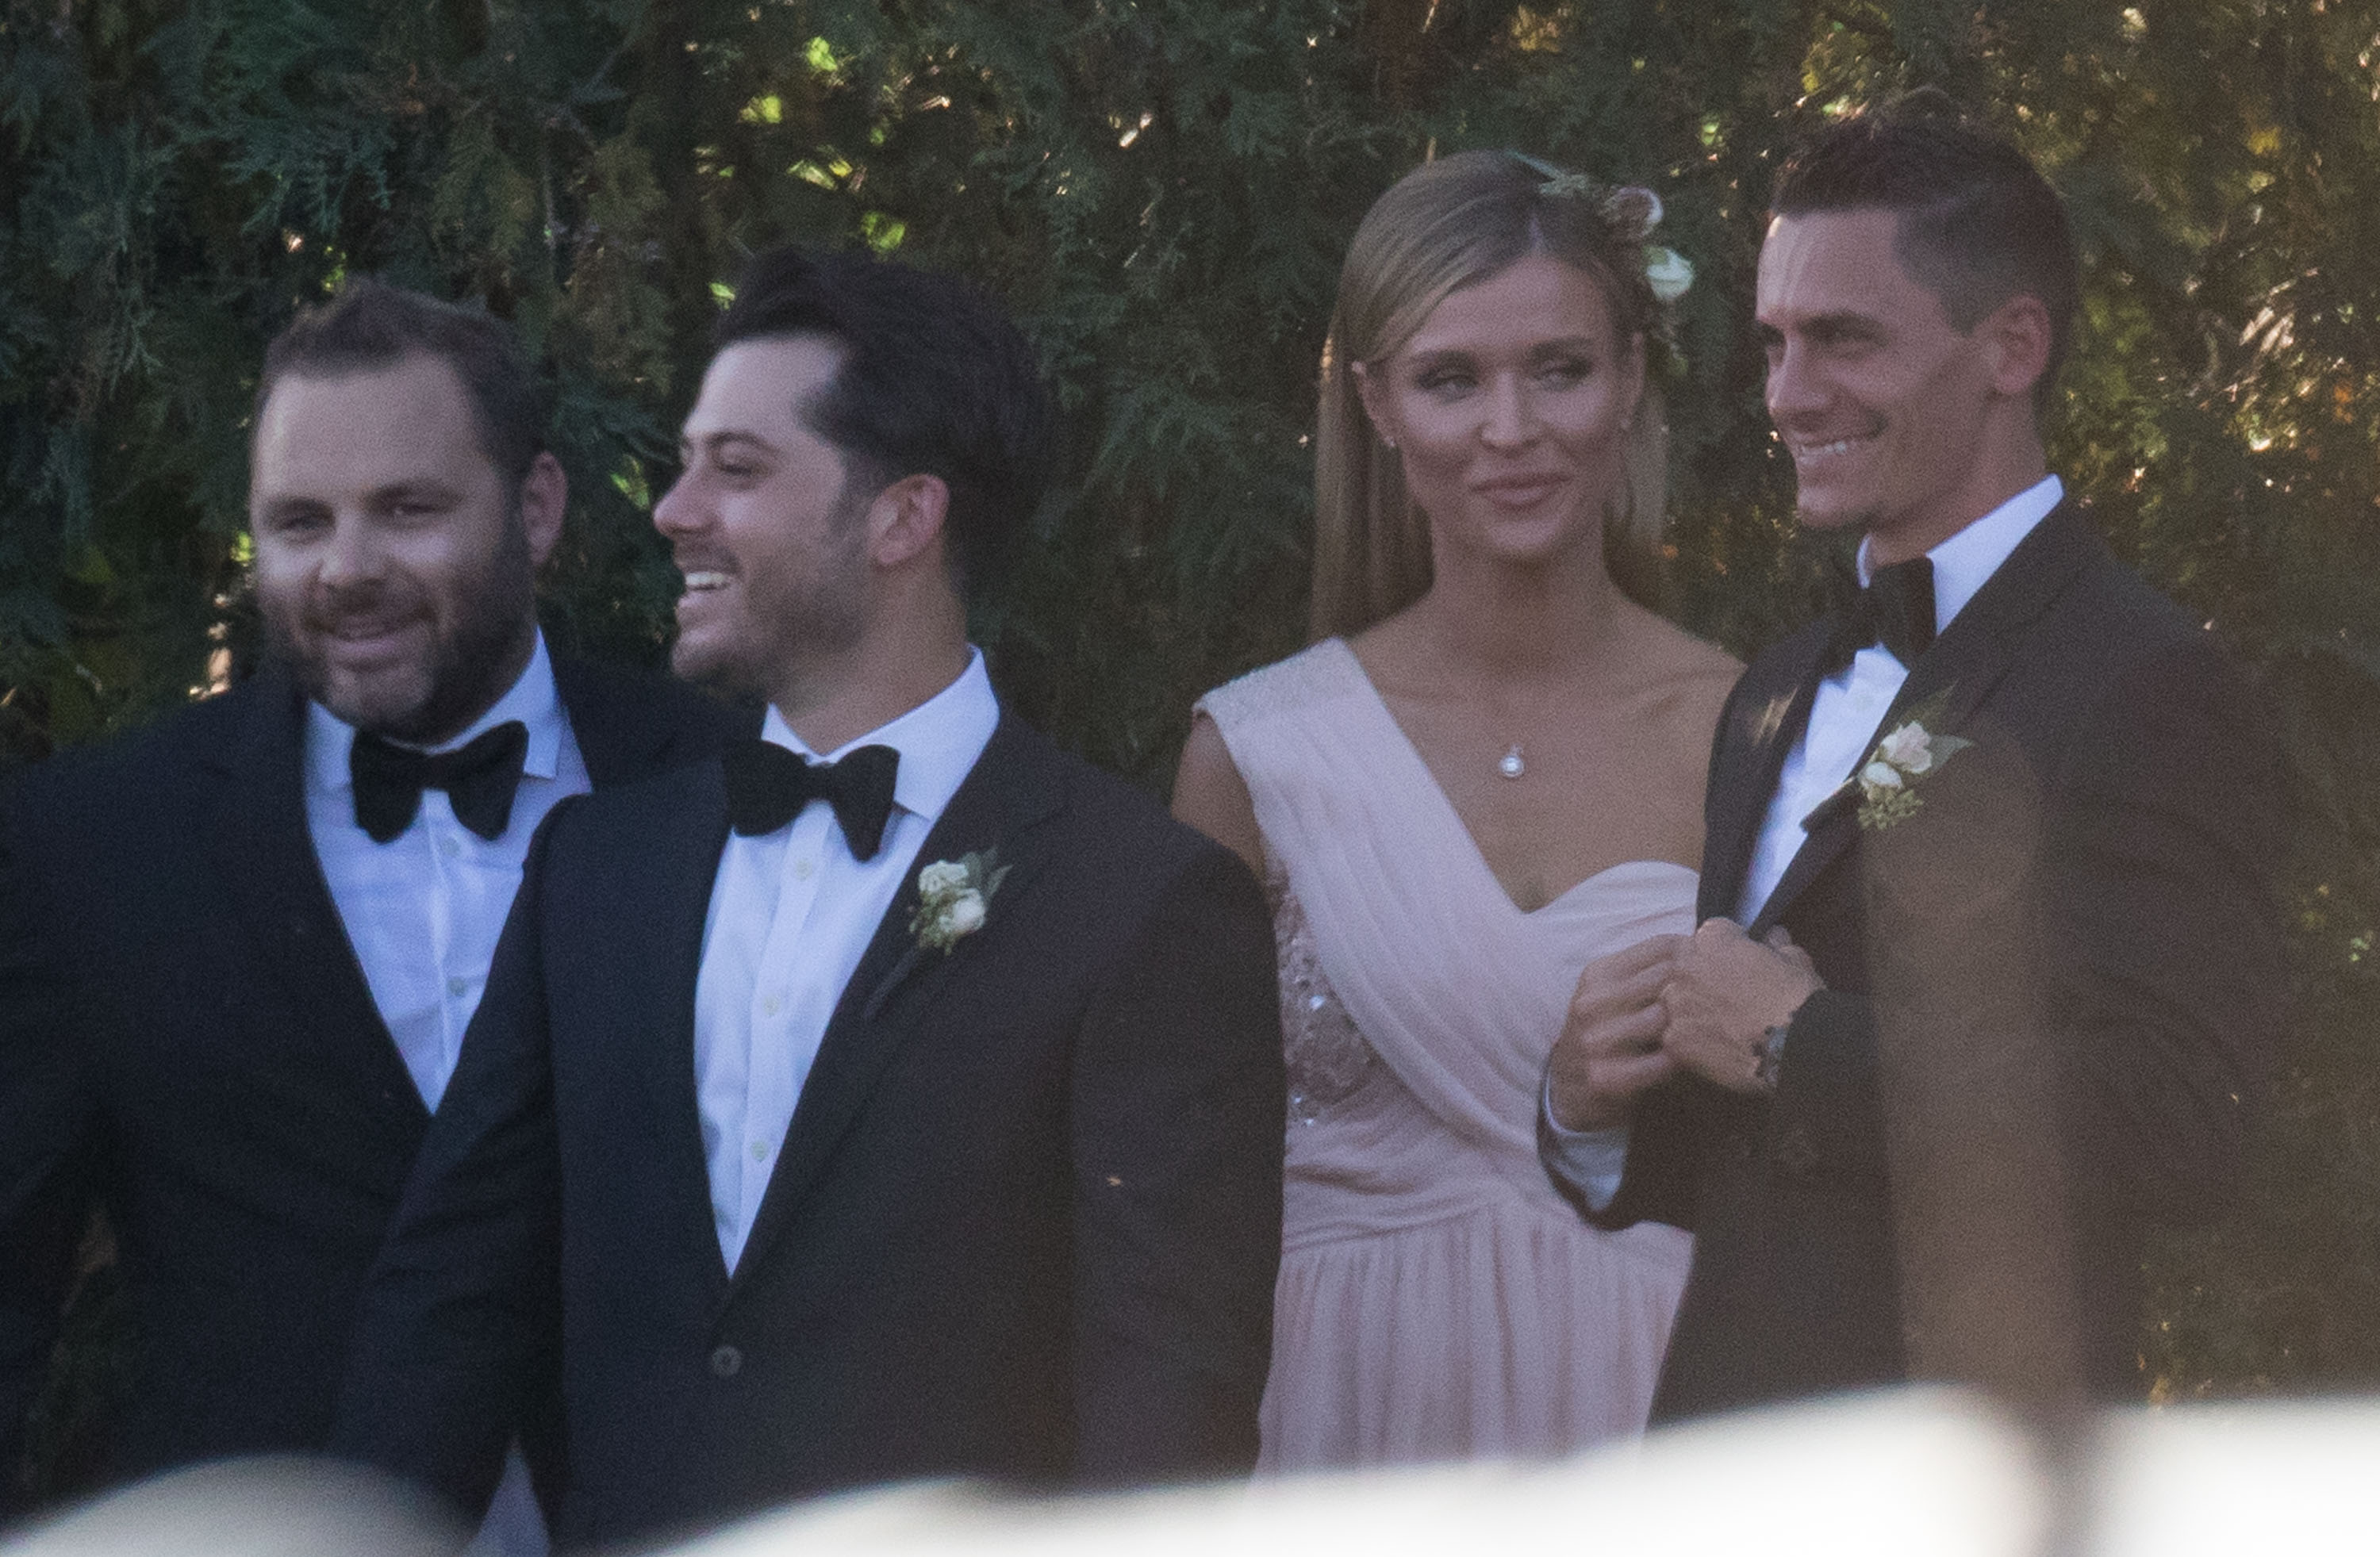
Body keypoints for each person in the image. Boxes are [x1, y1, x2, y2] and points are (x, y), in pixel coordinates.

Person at [329, 247, 1285, 1545]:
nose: (673, 511)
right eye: (685, 464)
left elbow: (1171, 1404)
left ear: (903, 519)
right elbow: (451, 1310)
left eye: (736, 468)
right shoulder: (595, 872)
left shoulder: (1141, 905)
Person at [1540, 105, 2284, 1421]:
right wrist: (1589, 1114)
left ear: (2011, 347)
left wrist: (1800, 1040)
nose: (1786, 395)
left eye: (1845, 339)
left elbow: (2183, 1124)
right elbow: (1766, 1158)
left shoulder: (2146, 682)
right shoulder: (1774, 691)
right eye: (1774, 343)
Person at [0, 282, 741, 1543]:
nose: (347, 570)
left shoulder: (721, 786)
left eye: (407, 510)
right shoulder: (95, 845)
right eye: (300, 522)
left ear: (538, 508)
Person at [1173, 150, 1738, 1470]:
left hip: (1656, 1399)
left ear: (1631, 379)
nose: (1511, 429)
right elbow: (1183, 1198)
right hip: (1347, 1409)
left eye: (1560, 369)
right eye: (1450, 380)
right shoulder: (1257, 756)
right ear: (1376, 402)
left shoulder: (1748, 734)